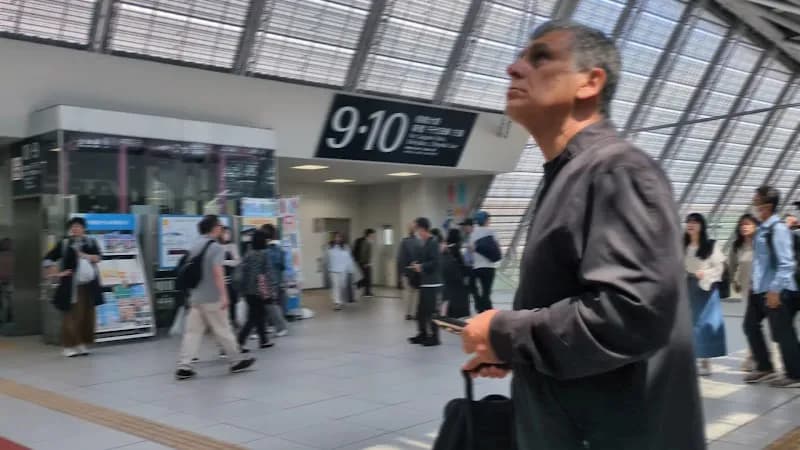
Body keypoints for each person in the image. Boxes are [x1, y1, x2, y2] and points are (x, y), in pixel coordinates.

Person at [460, 21, 705, 449]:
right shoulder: (573, 176)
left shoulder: (617, 170)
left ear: (591, 82)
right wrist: (518, 353)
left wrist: (504, 332)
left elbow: (631, 314)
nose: (513, 68)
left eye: (540, 58)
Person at [175, 215, 255, 380]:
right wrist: (224, 296)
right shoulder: (217, 248)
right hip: (213, 297)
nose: (221, 228)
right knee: (223, 329)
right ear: (214, 228)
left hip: (196, 298)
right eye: (219, 225)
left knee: (192, 332)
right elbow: (218, 274)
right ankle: (235, 361)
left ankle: (184, 366)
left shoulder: (195, 245)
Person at [744, 185, 800, 388]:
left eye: (756, 198)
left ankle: (795, 374)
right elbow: (761, 262)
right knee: (750, 326)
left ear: (767, 204)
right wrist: (754, 284)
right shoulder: (763, 228)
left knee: (783, 332)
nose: (753, 201)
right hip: (760, 290)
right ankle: (765, 367)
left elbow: (787, 263)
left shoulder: (778, 229)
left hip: (776, 290)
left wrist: (775, 290)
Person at [43, 217, 104, 358]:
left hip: (89, 286)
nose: (75, 229)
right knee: (70, 316)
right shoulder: (65, 243)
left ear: (84, 228)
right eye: (73, 227)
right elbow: (48, 258)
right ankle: (67, 345)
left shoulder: (91, 242)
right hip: (71, 286)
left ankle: (81, 343)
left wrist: (85, 255)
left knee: (87, 316)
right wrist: (57, 273)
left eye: (78, 226)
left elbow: (99, 258)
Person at [684, 213, 727, 376]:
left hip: (705, 288)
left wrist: (705, 273)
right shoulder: (682, 246)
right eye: (688, 221)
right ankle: (692, 359)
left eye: (695, 221)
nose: (691, 224)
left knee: (705, 323)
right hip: (687, 286)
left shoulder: (711, 245)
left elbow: (719, 268)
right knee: (688, 324)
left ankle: (705, 360)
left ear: (702, 226)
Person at [236, 230, 275, 350]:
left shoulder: (248, 253)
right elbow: (268, 273)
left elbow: (244, 272)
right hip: (259, 290)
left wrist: (243, 290)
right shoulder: (264, 254)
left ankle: (263, 340)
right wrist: (271, 289)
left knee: (259, 314)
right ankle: (239, 342)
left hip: (248, 290)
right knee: (253, 317)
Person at [730, 214, 759, 372]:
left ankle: (762, 356)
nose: (744, 226)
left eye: (748, 224)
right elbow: (732, 265)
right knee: (749, 324)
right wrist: (734, 281)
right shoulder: (737, 246)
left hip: (762, 290)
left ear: (755, 226)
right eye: (742, 224)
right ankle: (751, 355)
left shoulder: (760, 243)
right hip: (746, 290)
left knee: (763, 324)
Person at [408, 218, 442, 347]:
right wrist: (417, 264)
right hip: (425, 283)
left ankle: (434, 337)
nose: (416, 232)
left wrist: (421, 267)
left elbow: (435, 262)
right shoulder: (425, 243)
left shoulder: (433, 242)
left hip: (432, 283)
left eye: (417, 229)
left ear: (422, 229)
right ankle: (422, 334)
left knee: (431, 312)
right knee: (421, 311)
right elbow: (426, 260)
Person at [468, 211, 498, 313]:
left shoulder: (473, 234)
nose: (490, 221)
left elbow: (471, 250)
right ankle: (488, 314)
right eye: (489, 219)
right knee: (486, 292)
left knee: (482, 292)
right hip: (489, 266)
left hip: (477, 267)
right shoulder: (491, 231)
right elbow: (496, 248)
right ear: (485, 220)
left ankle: (482, 311)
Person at [262, 224, 289, 336]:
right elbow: (283, 266)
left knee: (272, 305)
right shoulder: (280, 250)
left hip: (271, 282)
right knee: (274, 304)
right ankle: (273, 325)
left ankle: (278, 326)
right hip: (277, 280)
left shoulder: (268, 250)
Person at [442, 229, 470, 318]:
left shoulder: (445, 249)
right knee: (458, 298)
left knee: (448, 298)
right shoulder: (456, 249)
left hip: (447, 278)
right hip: (457, 279)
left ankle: (446, 314)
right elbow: (462, 265)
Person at [219, 226, 241, 329]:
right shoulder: (216, 246)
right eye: (225, 233)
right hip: (220, 277)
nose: (227, 235)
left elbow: (237, 261)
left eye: (229, 233)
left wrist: (224, 262)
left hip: (231, 277)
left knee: (232, 299)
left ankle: (233, 319)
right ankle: (224, 321)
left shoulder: (232, 246)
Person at [397, 225, 420, 320]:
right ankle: (415, 313)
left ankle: (408, 313)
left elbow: (400, 258)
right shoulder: (419, 242)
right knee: (416, 293)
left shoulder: (404, 242)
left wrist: (400, 273)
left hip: (407, 271)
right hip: (416, 271)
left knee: (408, 293)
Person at [328, 232, 355, 311]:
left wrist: (351, 269)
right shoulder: (330, 247)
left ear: (342, 238)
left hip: (343, 270)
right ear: (333, 238)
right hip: (333, 270)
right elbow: (327, 259)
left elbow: (349, 259)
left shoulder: (346, 247)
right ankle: (337, 303)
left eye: (339, 237)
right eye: (336, 237)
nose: (337, 239)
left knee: (342, 286)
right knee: (335, 286)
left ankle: (341, 300)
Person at [459, 218, 478, 314]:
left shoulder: (474, 236)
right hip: (468, 267)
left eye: (465, 226)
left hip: (472, 267)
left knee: (473, 290)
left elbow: (474, 252)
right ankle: (470, 309)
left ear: (470, 226)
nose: (463, 228)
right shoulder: (469, 236)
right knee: (470, 289)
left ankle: (479, 309)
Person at [353, 229, 376, 298]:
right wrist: (366, 263)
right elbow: (363, 253)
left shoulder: (367, 241)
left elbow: (368, 253)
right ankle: (358, 286)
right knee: (366, 278)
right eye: (373, 234)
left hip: (363, 262)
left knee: (366, 277)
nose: (374, 236)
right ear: (369, 234)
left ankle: (366, 292)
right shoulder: (365, 241)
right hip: (363, 263)